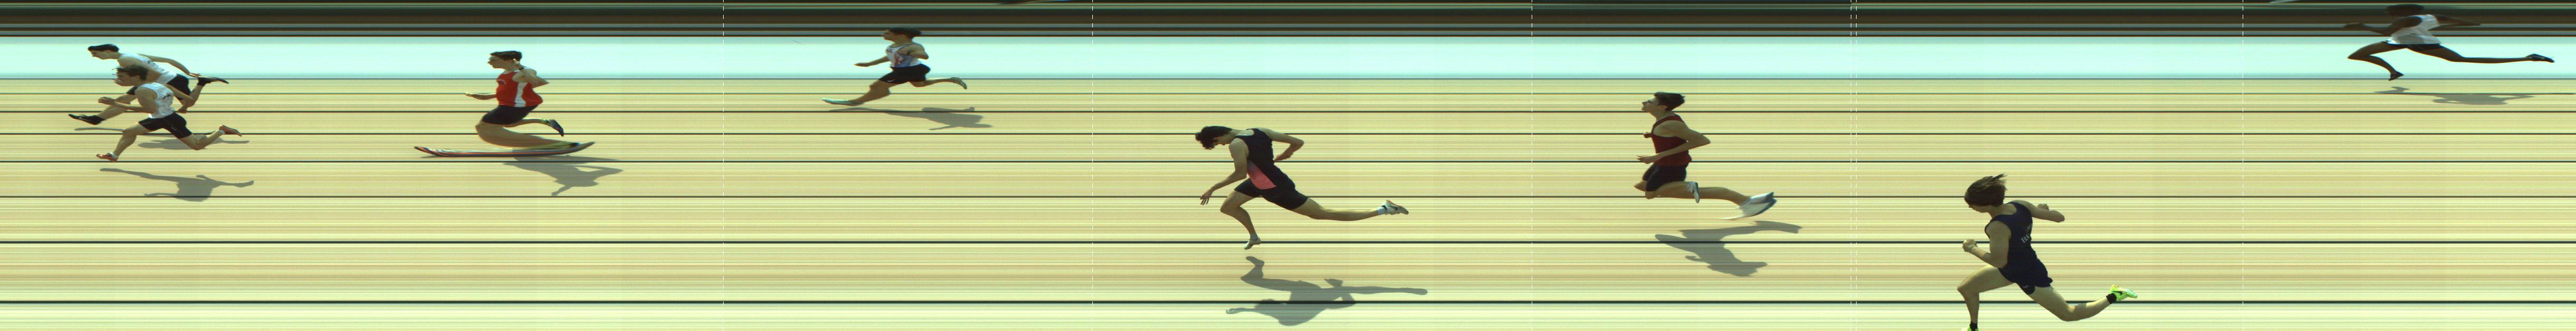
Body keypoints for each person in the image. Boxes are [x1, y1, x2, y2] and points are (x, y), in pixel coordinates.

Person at [1953, 174, 2138, 330]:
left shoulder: (1997, 227)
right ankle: (1973, 328)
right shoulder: (2021, 205)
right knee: (1966, 289)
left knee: (2069, 315)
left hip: (2027, 273)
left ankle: (2115, 295)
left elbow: (1998, 261)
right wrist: (2040, 211)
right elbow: (2059, 218)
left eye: (1972, 204)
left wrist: (1972, 248)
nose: (1970, 207)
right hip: (2012, 267)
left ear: (1986, 204)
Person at [1195, 125, 1408, 249]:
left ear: (1218, 137)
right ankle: (1255, 237)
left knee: (1322, 213)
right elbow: (1298, 142)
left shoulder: (1236, 144)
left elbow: (1240, 173)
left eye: (1217, 144)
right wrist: (1286, 154)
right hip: (1259, 182)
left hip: (1275, 188)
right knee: (1229, 207)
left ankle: (1384, 209)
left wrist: (1213, 188)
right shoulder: (1260, 131)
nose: (1221, 146)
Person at [1636, 92, 1775, 219]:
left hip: (1670, 165)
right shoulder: (1665, 120)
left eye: (1650, 102)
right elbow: (1675, 135)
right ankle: (1750, 201)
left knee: (1650, 194)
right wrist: (1653, 135)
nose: (1644, 102)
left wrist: (1659, 155)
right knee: (1643, 186)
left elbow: (1702, 140)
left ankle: (1744, 201)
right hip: (1664, 163)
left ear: (1662, 107)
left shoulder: (1670, 124)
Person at [2343, 4, 2550, 80]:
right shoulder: (2432, 16)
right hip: (2398, 41)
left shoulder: (2402, 20)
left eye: (2390, 11)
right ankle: (2394, 72)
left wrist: (2362, 26)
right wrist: (2470, 24)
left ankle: (2528, 58)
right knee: (2357, 55)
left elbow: (2385, 31)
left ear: (2403, 11)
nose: (2388, 13)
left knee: (2462, 60)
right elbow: (2464, 22)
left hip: (2421, 44)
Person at [92, 66, 239, 161]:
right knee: (128, 132)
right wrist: (184, 108)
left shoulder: (141, 91)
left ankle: (221, 131)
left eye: (122, 77)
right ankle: (114, 155)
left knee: (197, 146)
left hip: (168, 120)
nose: (119, 80)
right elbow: (189, 99)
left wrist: (115, 104)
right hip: (160, 118)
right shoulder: (161, 85)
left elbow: (149, 110)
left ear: (136, 77)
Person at [71, 44, 227, 124]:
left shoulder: (124, 60)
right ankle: (97, 119)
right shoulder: (133, 54)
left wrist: (137, 86)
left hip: (168, 82)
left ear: (107, 51)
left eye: (96, 54)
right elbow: (169, 60)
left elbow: (154, 75)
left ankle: (202, 83)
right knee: (124, 99)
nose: (95, 57)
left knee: (189, 103)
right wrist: (188, 72)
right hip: (171, 79)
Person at [823, 27, 968, 106]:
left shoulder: (913, 46)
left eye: (888, 33)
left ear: (901, 35)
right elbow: (891, 57)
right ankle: (951, 79)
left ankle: (854, 102)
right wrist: (870, 64)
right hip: (913, 69)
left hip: (908, 71)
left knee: (876, 87)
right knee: (920, 85)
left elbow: (925, 56)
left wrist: (909, 53)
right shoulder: (894, 45)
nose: (884, 34)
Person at [463, 51, 578, 150]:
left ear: (509, 61)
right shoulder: (507, 72)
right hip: (508, 104)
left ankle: (553, 144)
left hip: (516, 105)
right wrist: (488, 96)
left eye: (493, 60)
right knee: (509, 124)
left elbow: (538, 82)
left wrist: (521, 69)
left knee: (484, 127)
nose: (489, 62)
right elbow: (512, 88)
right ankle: (545, 122)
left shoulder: (524, 72)